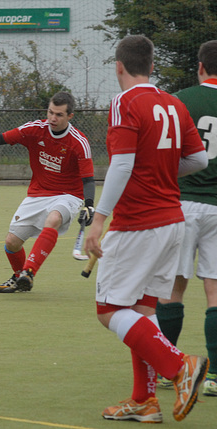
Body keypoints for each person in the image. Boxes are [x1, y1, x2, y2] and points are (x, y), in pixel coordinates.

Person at [84, 35, 209, 423]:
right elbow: (199, 160)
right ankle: (144, 400)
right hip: (172, 220)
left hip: (138, 222)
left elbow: (121, 165)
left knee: (109, 310)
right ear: (152, 66)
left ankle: (179, 365)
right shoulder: (173, 102)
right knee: (142, 310)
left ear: (118, 66)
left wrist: (99, 218)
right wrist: (159, 169)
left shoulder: (125, 101)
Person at [0, 91, 95, 293]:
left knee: (53, 219)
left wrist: (89, 204)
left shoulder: (78, 142)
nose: (53, 118)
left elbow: (88, 179)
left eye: (59, 114)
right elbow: (3, 138)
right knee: (12, 242)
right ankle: (19, 279)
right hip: (38, 193)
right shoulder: (35, 129)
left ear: (70, 116)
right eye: (51, 112)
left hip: (68, 195)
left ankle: (29, 272)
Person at [156, 40, 217, 397]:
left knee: (172, 288)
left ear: (199, 66)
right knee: (214, 289)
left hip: (182, 204)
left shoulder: (179, 101)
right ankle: (215, 376)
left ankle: (168, 370)